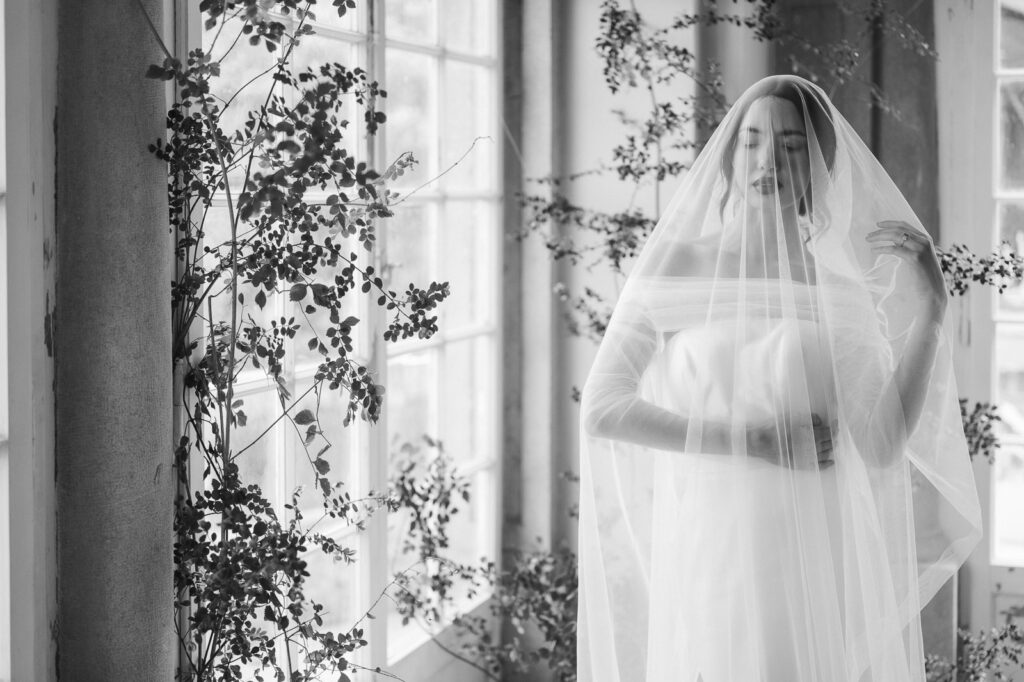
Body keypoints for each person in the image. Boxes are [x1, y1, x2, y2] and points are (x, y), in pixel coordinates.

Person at [577, 75, 982, 681]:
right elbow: (603, 407)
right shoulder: (679, 265)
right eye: (753, 141)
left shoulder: (835, 287)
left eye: (793, 145)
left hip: (812, 555)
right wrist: (757, 441)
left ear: (817, 165)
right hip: (713, 543)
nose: (770, 160)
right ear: (730, 155)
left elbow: (881, 443)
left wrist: (931, 312)